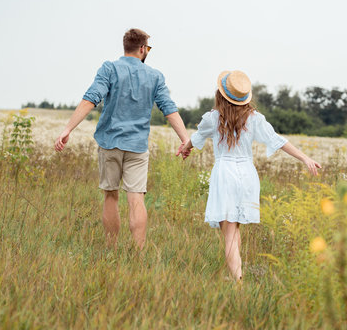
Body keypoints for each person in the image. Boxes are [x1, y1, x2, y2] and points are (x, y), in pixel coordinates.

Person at [177, 70, 321, 281]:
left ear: (220, 95)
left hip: (225, 173)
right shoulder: (254, 118)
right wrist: (304, 157)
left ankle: (237, 280)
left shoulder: (213, 118)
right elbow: (278, 140)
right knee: (234, 228)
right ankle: (236, 273)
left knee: (229, 233)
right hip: (247, 175)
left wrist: (185, 148)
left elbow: (196, 137)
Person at [55, 28, 190, 250]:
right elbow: (169, 108)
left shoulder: (109, 69)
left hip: (110, 143)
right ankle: (138, 252)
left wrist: (68, 128)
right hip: (137, 147)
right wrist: (185, 139)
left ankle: (111, 248)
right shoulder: (155, 76)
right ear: (142, 49)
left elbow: (91, 98)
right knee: (136, 199)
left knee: (111, 196)